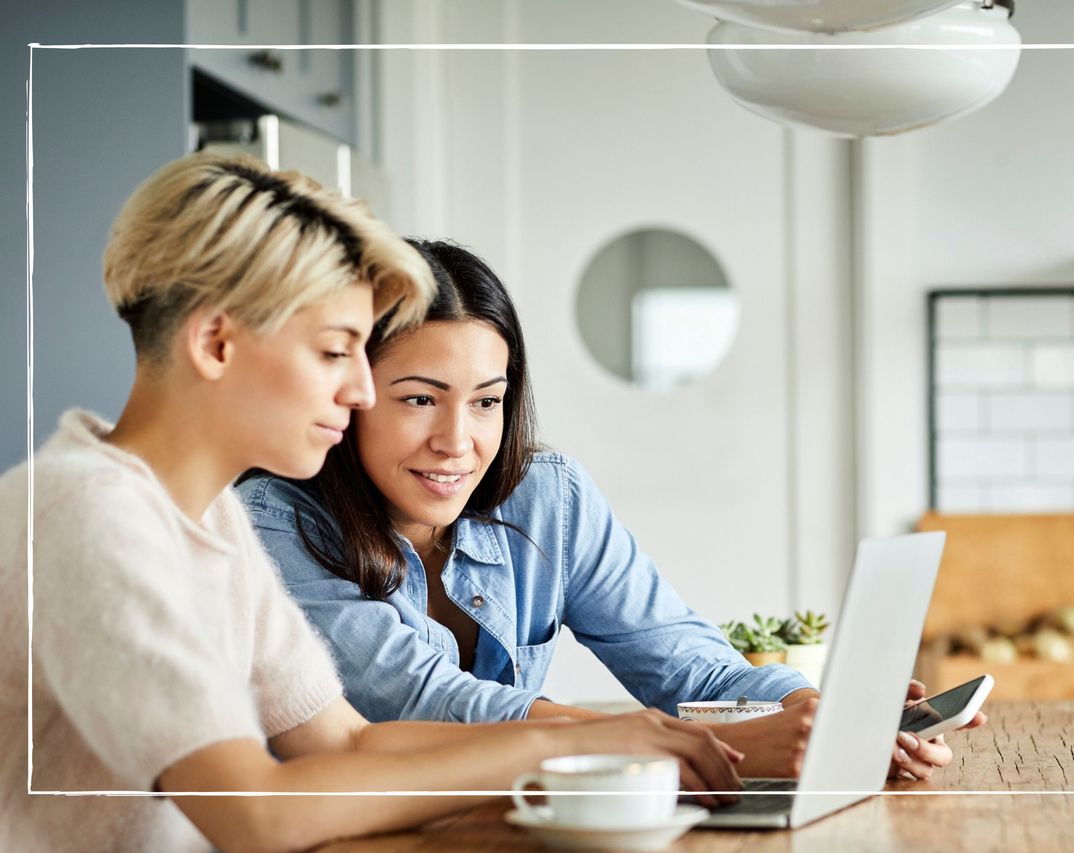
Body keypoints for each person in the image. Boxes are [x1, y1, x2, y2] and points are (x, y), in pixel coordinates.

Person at [0, 154, 741, 853]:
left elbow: (346, 740)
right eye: (333, 351)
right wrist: (564, 741)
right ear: (216, 343)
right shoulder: (87, 514)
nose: (359, 392)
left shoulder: (204, 516)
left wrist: (593, 744)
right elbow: (257, 811)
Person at [239, 238, 978, 781]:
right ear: (355, 394)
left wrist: (828, 716)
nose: (457, 442)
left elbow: (690, 664)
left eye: (488, 402)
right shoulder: (274, 521)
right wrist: (685, 744)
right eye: (420, 399)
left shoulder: (546, 497)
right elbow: (421, 702)